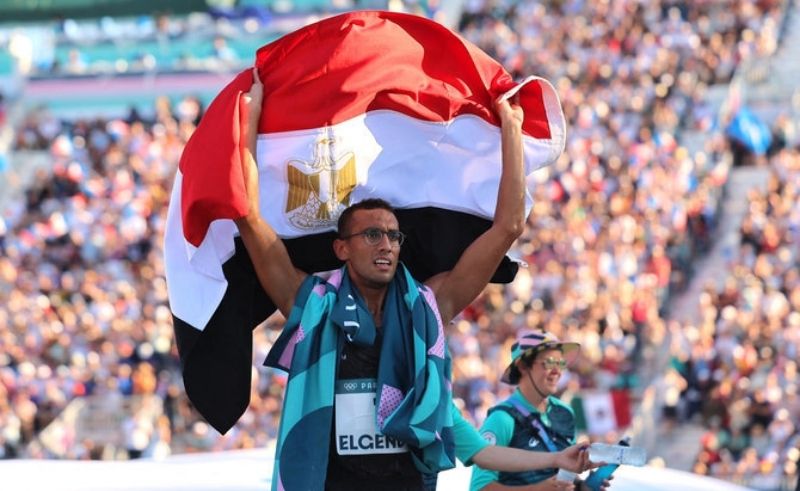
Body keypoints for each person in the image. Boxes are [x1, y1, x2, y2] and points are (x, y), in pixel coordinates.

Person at [234, 68, 596, 490]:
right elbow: (249, 216)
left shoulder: (429, 307)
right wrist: (249, 122)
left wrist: (511, 130)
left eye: (394, 236)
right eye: (373, 235)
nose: (387, 245)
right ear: (342, 248)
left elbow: (509, 227)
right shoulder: (313, 303)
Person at [470, 331, 612, 491]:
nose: (557, 371)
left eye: (561, 363)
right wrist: (538, 489)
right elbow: (479, 488)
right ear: (523, 366)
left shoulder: (565, 412)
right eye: (549, 362)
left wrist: (582, 486)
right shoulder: (502, 418)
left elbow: (564, 476)